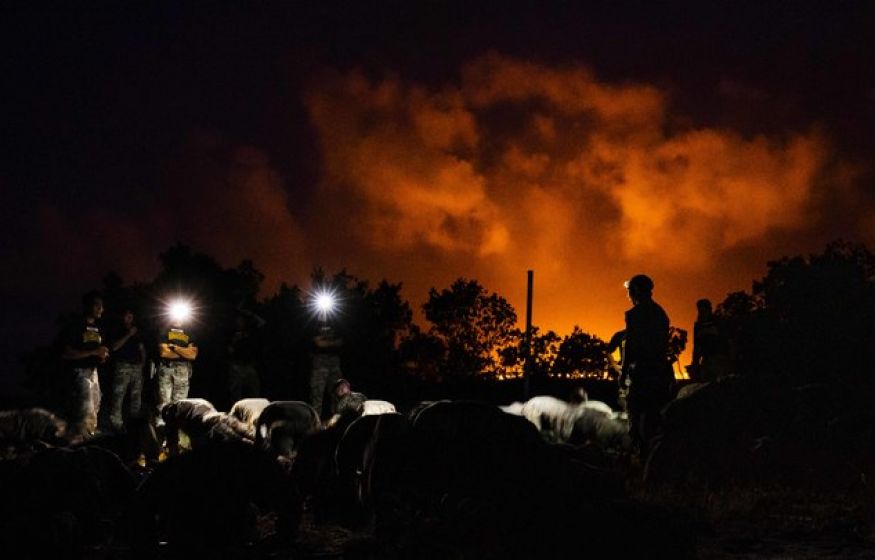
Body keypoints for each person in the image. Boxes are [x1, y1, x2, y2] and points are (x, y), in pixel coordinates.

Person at [621, 274, 674, 459]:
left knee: (636, 416)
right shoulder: (661, 313)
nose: (628, 293)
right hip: (660, 373)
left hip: (643, 373)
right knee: (656, 418)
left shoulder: (634, 315)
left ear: (635, 291)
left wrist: (623, 373)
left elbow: (631, 345)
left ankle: (641, 459)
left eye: (630, 290)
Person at [61, 291, 110, 438]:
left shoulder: (98, 328)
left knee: (95, 406)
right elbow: (66, 353)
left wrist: (103, 356)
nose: (101, 309)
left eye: (102, 306)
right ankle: (82, 441)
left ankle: (89, 435)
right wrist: (93, 352)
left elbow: (98, 350)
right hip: (79, 372)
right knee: (85, 409)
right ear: (88, 306)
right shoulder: (75, 326)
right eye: (97, 305)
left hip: (93, 372)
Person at [107, 309, 146, 433]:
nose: (129, 318)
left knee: (136, 396)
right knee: (118, 396)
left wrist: (142, 363)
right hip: (122, 367)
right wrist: (129, 334)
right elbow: (114, 347)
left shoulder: (137, 332)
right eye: (127, 316)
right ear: (123, 317)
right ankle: (116, 424)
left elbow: (141, 348)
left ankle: (134, 423)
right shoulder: (117, 330)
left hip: (137, 368)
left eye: (131, 316)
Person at [155, 320, 198, 426]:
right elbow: (164, 352)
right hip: (166, 368)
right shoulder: (164, 329)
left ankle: (176, 425)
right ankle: (162, 423)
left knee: (180, 401)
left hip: (183, 370)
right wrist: (184, 351)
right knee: (164, 398)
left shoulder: (189, 332)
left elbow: (192, 355)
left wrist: (174, 348)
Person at [226, 308, 266, 403]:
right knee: (235, 393)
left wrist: (249, 313)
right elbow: (228, 350)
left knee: (254, 391)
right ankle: (235, 411)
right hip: (236, 366)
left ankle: (253, 410)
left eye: (241, 320)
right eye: (238, 321)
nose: (239, 322)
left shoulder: (250, 331)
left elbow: (262, 323)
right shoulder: (231, 333)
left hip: (249, 365)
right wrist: (233, 342)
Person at [688, 298, 731, 382]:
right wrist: (694, 364)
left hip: (720, 360)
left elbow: (729, 341)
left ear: (709, 310)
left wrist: (730, 360)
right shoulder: (698, 326)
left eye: (704, 310)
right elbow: (697, 347)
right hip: (706, 361)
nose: (702, 313)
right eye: (700, 311)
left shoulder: (719, 322)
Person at [309, 324, 343, 420]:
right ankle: (315, 424)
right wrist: (330, 342)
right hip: (319, 364)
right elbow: (318, 343)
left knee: (337, 394)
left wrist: (325, 341)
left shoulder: (337, 321)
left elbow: (340, 342)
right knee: (316, 396)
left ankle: (337, 422)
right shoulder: (313, 321)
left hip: (334, 363)